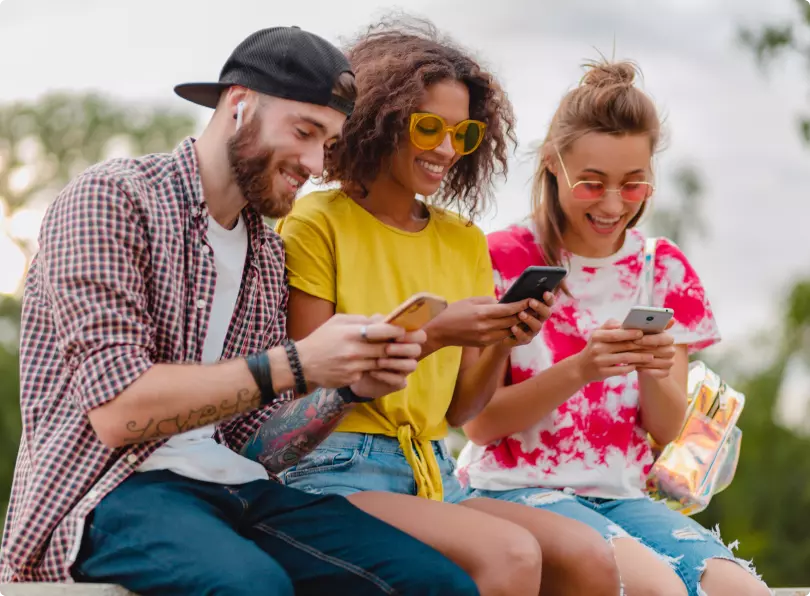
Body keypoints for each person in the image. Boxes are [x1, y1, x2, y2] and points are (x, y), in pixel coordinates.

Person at [0, 26, 483, 596]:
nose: (313, 162)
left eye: (327, 144)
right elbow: (117, 411)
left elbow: (257, 445)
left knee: (435, 583)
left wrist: (347, 389)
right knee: (252, 586)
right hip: (112, 489)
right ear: (239, 104)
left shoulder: (266, 254)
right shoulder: (112, 199)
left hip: (238, 486)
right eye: (304, 132)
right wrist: (298, 363)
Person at [249, 18, 621, 596]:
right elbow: (309, 393)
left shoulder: (464, 240)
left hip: (433, 471)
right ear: (379, 121)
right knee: (511, 554)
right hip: (334, 468)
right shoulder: (318, 222)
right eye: (428, 128)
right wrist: (435, 335)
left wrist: (502, 336)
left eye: (462, 134)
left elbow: (457, 413)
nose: (446, 149)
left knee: (588, 558)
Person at [456, 60, 771, 596]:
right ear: (554, 166)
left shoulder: (662, 268)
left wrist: (651, 366)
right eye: (592, 184)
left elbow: (671, 434)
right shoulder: (502, 260)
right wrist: (583, 368)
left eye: (632, 186)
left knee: (743, 592)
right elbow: (480, 427)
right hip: (512, 487)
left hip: (623, 493)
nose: (611, 205)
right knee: (657, 590)